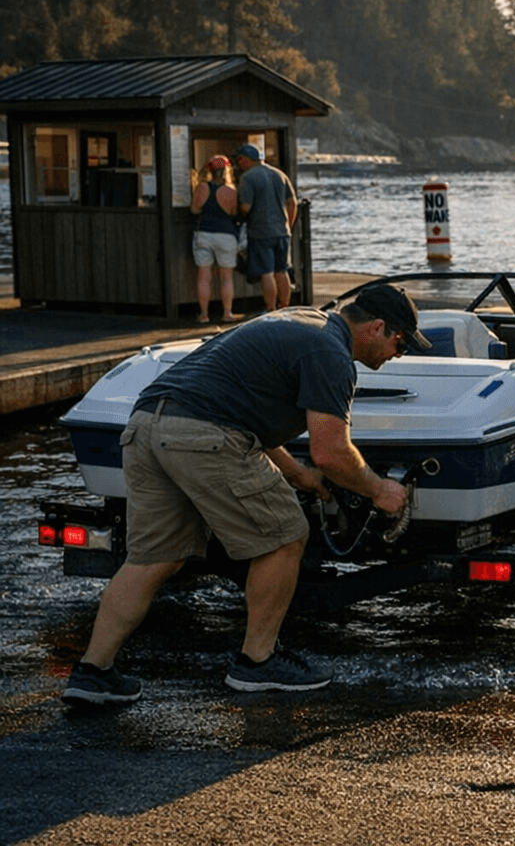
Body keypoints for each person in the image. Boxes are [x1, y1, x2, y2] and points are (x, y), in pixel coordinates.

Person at [61, 284, 433, 705]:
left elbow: (244, 411)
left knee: (153, 557)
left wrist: (297, 475)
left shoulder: (300, 319)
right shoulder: (332, 354)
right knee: (286, 536)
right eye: (399, 342)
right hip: (202, 432)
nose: (399, 354)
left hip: (147, 425)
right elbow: (330, 453)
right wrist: (380, 489)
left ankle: (92, 673)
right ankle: (257, 662)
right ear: (377, 327)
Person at [235, 142, 298, 313]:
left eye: (240, 159)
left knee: (266, 272)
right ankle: (285, 308)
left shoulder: (248, 178)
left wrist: (238, 209)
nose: (239, 163)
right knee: (282, 270)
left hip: (260, 232)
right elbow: (292, 203)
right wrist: (288, 226)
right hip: (282, 231)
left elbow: (245, 207)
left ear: (246, 160)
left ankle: (271, 309)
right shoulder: (280, 174)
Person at [190, 155, 241, 324]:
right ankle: (227, 313)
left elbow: (195, 209)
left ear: (210, 170)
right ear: (227, 170)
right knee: (226, 276)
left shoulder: (202, 187)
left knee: (204, 275)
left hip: (204, 233)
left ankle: (204, 315)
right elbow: (234, 213)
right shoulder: (232, 191)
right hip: (226, 235)